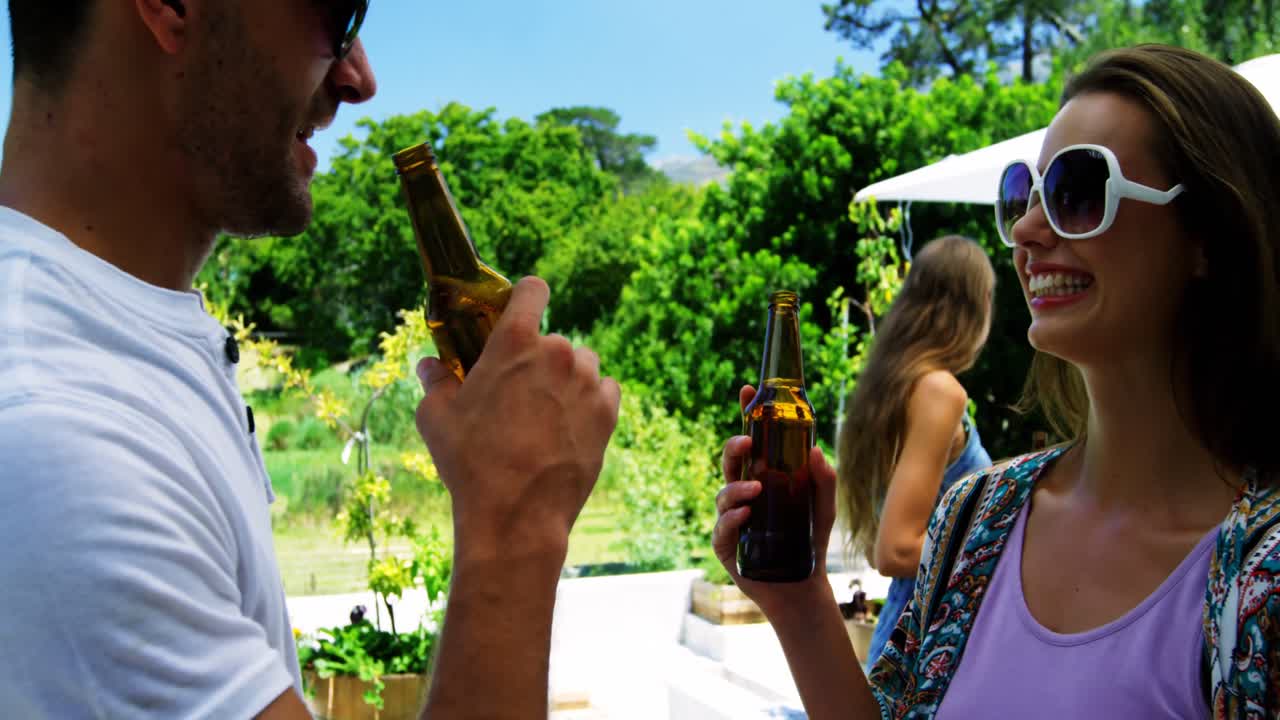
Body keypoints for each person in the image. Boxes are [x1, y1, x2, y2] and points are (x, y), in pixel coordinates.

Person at [0, 2, 619, 719]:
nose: (360, 79)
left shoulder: (119, 350)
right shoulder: (57, 443)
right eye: (338, 13)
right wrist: (515, 523)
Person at [715, 44, 1280, 718]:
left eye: (1077, 191)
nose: (1027, 231)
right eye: (1023, 194)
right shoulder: (975, 521)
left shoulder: (1261, 582)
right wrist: (799, 600)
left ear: (1208, 238)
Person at [836, 234, 994, 668]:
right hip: (925, 650)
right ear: (977, 303)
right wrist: (1004, 546)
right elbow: (896, 550)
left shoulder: (895, 389)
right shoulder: (939, 391)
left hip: (907, 639)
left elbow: (877, 544)